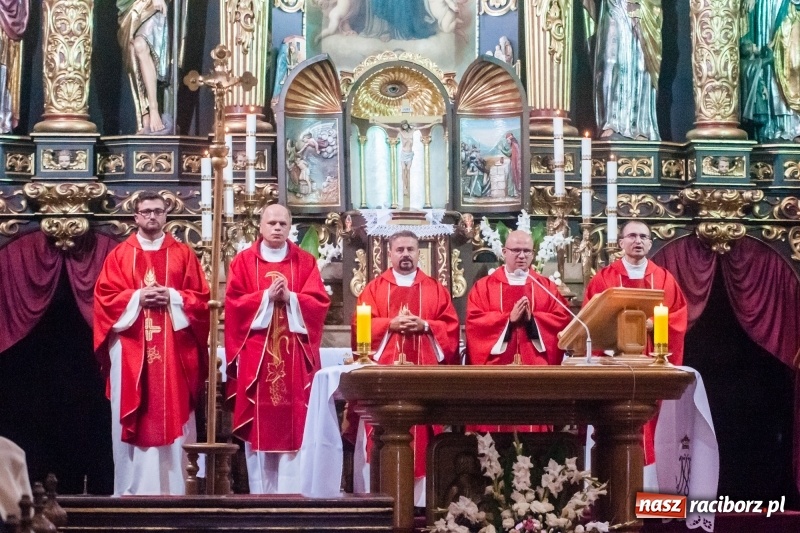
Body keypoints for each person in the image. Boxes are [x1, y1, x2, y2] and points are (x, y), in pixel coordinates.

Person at [94, 191, 210, 496]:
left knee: (173, 409)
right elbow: (104, 300)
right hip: (131, 350)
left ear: (166, 215)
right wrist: (137, 297)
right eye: (145, 212)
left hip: (174, 350)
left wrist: (172, 296)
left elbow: (202, 300)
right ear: (135, 217)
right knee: (134, 410)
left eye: (157, 211)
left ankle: (177, 489)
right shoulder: (119, 255)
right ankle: (129, 490)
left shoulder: (184, 254)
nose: (152, 217)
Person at [224, 204, 330, 494]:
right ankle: (260, 494)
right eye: (271, 222)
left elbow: (318, 303)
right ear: (260, 226)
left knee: (294, 422)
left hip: (293, 357)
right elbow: (233, 304)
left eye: (283, 223)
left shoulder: (305, 262)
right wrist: (265, 298)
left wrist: (292, 298)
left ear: (290, 227)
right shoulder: (243, 262)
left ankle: (293, 493)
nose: (277, 228)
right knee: (258, 422)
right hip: (256, 356)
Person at [348, 230, 459, 503]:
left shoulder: (435, 288)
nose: (406, 254)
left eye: (411, 249)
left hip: (424, 382)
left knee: (423, 436)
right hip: (384, 383)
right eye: (400, 250)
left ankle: (422, 504)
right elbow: (359, 327)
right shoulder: (374, 289)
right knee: (380, 432)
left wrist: (425, 325)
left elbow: (452, 329)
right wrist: (389, 325)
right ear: (390, 253)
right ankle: (378, 500)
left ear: (418, 253)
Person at [583, 219, 688, 468]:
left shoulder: (663, 279)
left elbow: (679, 315)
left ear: (650, 243)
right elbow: (589, 319)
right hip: (613, 363)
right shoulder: (604, 279)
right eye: (631, 236)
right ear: (621, 243)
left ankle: (649, 483)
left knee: (651, 422)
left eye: (643, 237)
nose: (637, 241)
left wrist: (654, 325)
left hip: (651, 361)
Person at [465, 230, 572, 432]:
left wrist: (533, 320)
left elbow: (561, 321)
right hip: (496, 373)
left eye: (526, 251)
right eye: (516, 250)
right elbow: (474, 323)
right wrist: (507, 320)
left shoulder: (546, 286)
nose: (521, 256)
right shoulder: (484, 287)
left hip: (535, 373)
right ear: (504, 252)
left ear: (533, 254)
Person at [593, 0, 662, 140]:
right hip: (614, 6)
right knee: (611, 62)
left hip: (641, 8)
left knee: (640, 64)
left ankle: (640, 126)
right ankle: (610, 122)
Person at [740, 0, 800, 143]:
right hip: (769, 7)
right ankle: (778, 126)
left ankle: (794, 125)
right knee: (781, 62)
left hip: (789, 8)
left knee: (793, 60)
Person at [117, 0, 172, 134]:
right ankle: (144, 116)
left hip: (151, 4)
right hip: (129, 6)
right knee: (133, 56)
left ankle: (154, 109)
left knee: (140, 45)